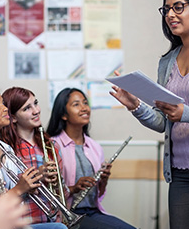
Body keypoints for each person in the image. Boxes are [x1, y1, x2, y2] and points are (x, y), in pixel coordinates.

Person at [109, 0, 189, 229]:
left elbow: (182, 114)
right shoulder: (167, 62)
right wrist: (135, 105)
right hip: (179, 171)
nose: (170, 14)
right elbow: (163, 121)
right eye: (166, 9)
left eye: (178, 7)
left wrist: (185, 113)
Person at [0, 85, 67, 229]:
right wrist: (19, 189)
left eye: (3, 103)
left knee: (59, 227)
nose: (5, 109)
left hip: (11, 224)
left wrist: (31, 185)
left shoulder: (6, 148)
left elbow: (17, 199)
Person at [46, 88, 136, 229]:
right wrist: (73, 188)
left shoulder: (95, 147)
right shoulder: (52, 145)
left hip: (92, 212)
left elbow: (98, 195)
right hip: (66, 214)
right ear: (63, 114)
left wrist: (103, 180)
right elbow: (47, 192)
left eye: (85, 103)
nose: (84, 108)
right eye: (76, 104)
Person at [0, 87, 70, 228]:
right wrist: (38, 176)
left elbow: (65, 194)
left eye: (35, 103)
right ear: (12, 118)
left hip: (53, 222)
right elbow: (3, 196)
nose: (36, 111)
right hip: (22, 224)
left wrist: (56, 184)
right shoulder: (6, 149)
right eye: (27, 108)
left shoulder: (52, 145)